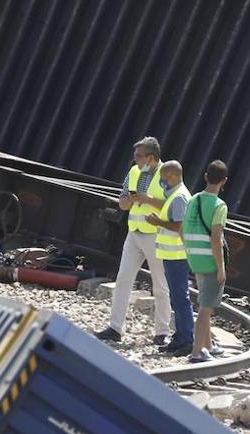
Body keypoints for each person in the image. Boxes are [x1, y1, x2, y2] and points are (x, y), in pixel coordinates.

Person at [94, 137, 172, 344]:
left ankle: (162, 332)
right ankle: (115, 327)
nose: (135, 159)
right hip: (134, 233)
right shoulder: (134, 172)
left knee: (160, 285)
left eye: (138, 156)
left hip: (156, 236)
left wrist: (148, 200)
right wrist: (128, 200)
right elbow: (122, 204)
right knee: (123, 280)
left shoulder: (168, 175)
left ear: (151, 157)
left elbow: (175, 206)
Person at [145, 160, 194, 356]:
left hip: (177, 255)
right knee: (177, 297)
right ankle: (180, 337)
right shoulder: (175, 194)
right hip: (171, 254)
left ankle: (185, 340)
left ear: (172, 176)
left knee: (180, 298)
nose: (162, 182)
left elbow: (180, 226)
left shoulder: (179, 197)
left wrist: (157, 222)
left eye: (164, 178)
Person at [183, 161, 229, 363]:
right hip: (210, 261)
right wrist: (221, 268)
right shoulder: (219, 206)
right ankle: (197, 351)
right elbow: (216, 239)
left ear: (205, 176)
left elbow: (182, 230)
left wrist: (190, 253)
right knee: (205, 308)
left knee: (204, 301)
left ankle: (209, 345)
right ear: (224, 181)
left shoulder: (193, 199)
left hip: (194, 258)